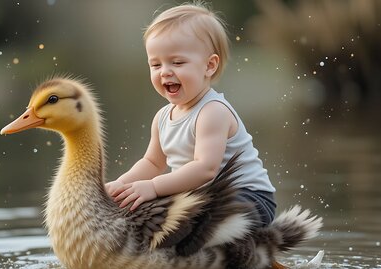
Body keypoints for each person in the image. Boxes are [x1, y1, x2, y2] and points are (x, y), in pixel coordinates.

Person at [106, 1, 276, 227]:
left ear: (209, 66)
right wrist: (120, 186)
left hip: (250, 199)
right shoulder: (162, 118)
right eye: (156, 65)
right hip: (202, 198)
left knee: (183, 212)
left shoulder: (212, 111)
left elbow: (205, 169)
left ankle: (245, 254)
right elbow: (152, 163)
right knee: (140, 208)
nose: (165, 71)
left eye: (177, 62)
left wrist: (154, 187)